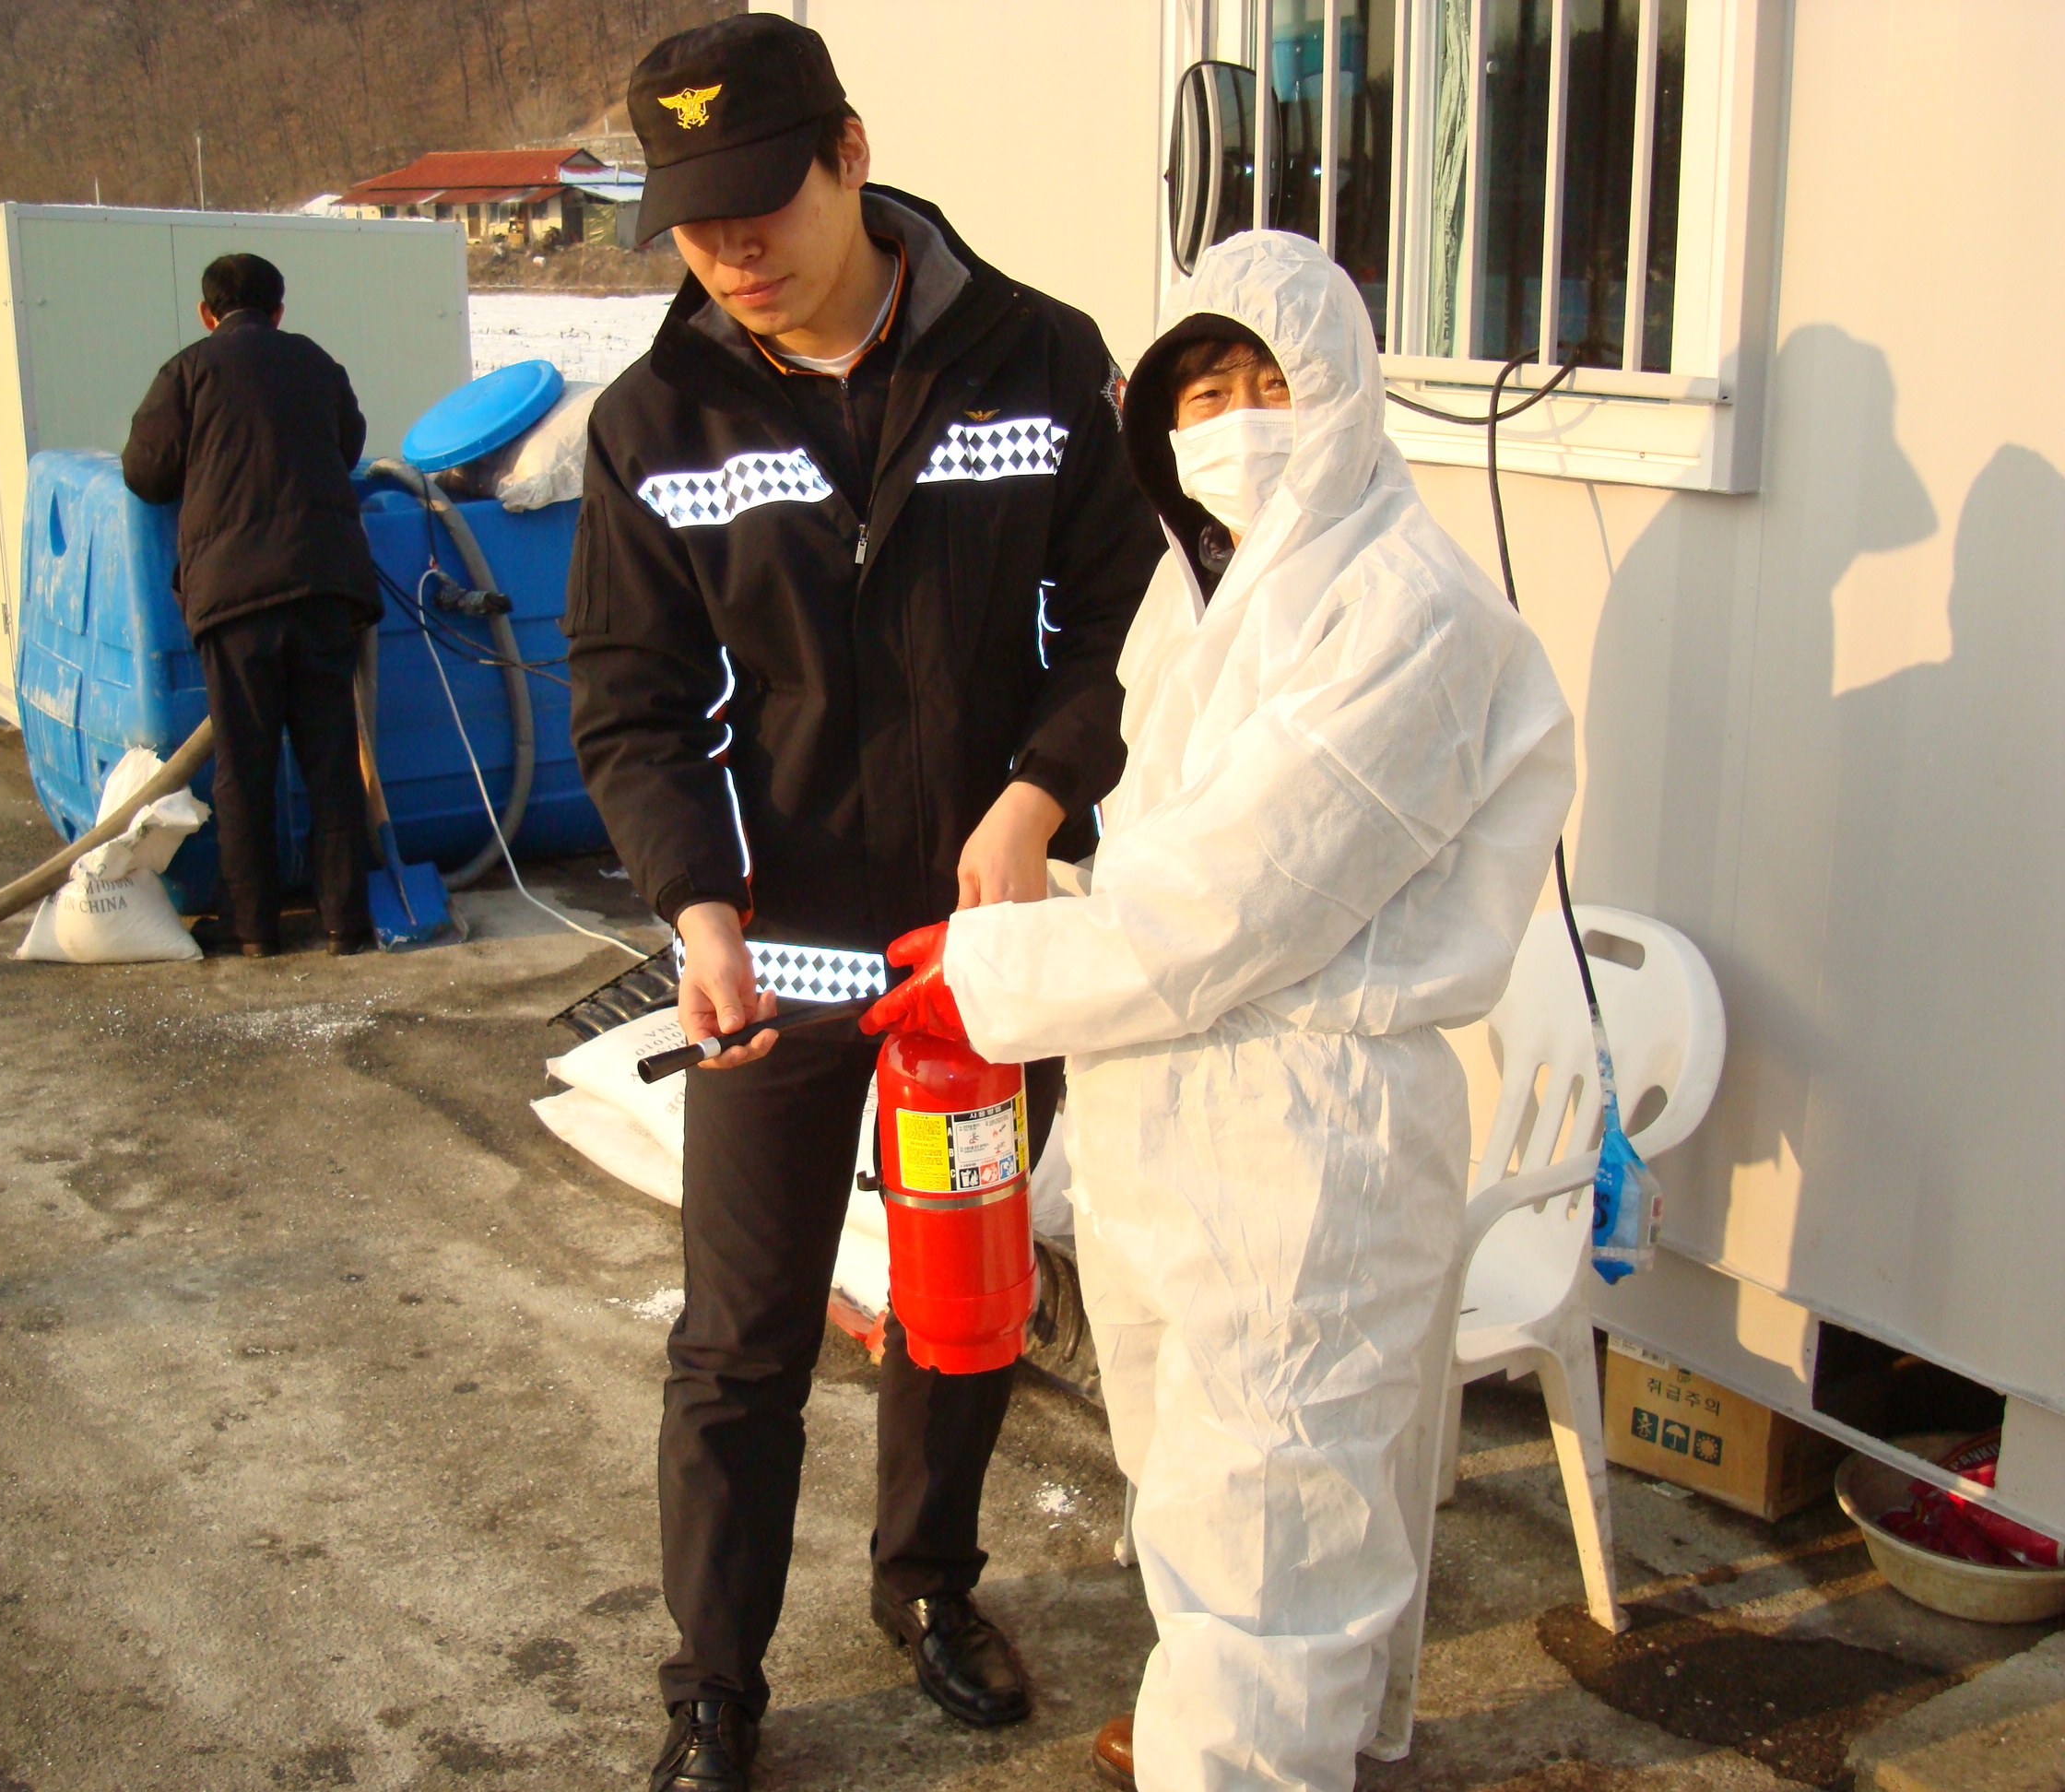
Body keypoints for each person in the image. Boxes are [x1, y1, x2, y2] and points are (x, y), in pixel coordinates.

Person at [861, 232, 1579, 1792]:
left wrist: (993, 969)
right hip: (1189, 1117)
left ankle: (1245, 1751)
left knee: (1273, 1522)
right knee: (1224, 1491)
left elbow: (1238, 899)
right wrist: (1042, 911)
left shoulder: (1407, 611)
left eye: (1269, 383)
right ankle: (1269, 1729)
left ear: (1344, 391)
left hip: (1305, 1135)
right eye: (1201, 393)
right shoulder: (1213, 592)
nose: (1236, 420)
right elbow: (1167, 858)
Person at [565, 16, 1158, 1791]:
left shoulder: (1038, 359)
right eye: (694, 221)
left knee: (958, 1297)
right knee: (738, 1339)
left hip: (981, 966)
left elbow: (1131, 616)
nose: (731, 248)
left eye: (760, 199)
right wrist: (697, 910)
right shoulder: (654, 419)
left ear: (848, 153)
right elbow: (627, 700)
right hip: (774, 973)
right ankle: (714, 1683)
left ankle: (926, 1581)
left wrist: (1037, 794)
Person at [122, 252, 382, 958]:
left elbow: (145, 473)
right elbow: (347, 446)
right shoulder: (317, 364)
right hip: (324, 586)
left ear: (207, 313)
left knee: (245, 766)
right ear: (279, 310)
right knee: (332, 759)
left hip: (234, 598)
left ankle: (253, 925)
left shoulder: (188, 371)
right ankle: (345, 920)